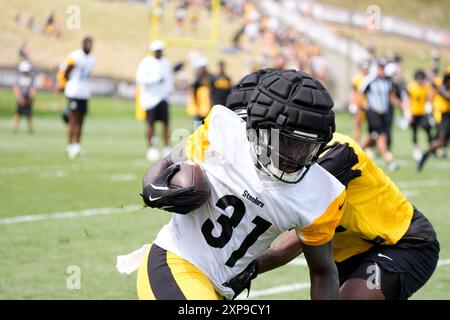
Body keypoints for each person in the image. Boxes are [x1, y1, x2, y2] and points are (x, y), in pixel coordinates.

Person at [118, 70, 347, 300]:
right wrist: (152, 189)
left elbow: (323, 271)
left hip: (221, 290)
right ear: (258, 129)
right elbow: (168, 161)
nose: (295, 156)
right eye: (286, 142)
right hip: (173, 261)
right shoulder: (222, 134)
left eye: (306, 147)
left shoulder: (323, 194)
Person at [223, 70, 440, 300]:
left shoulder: (336, 155)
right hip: (350, 251)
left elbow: (298, 236)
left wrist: (249, 267)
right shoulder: (278, 160)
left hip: (402, 243)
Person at [360, 58, 402, 171]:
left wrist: (401, 105)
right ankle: (389, 161)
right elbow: (360, 93)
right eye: (380, 67)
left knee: (373, 135)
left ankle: (356, 151)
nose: (382, 70)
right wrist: (360, 107)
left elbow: (391, 97)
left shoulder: (388, 81)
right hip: (372, 112)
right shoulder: (370, 79)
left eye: (383, 68)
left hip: (383, 113)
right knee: (380, 136)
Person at [136, 40, 174, 161]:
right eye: (157, 51)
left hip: (163, 97)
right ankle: (151, 148)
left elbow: (169, 79)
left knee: (166, 124)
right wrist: (156, 79)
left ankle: (166, 147)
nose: (159, 53)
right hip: (150, 99)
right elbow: (140, 79)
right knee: (150, 124)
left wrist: (168, 90)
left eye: (160, 51)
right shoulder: (146, 62)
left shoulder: (166, 63)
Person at [62, 36, 96, 158]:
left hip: (84, 93)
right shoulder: (75, 56)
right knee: (73, 120)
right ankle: (70, 145)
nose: (89, 46)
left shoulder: (92, 59)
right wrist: (66, 85)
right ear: (82, 44)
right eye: (87, 44)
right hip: (74, 92)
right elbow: (65, 71)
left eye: (91, 44)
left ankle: (77, 145)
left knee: (81, 120)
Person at [418, 66, 450, 171]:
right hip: (442, 115)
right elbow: (443, 94)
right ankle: (425, 155)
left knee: (443, 142)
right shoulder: (439, 83)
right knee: (440, 141)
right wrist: (428, 110)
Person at [406, 70, 433, 160]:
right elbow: (407, 99)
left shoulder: (426, 87)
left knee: (428, 128)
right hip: (413, 113)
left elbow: (429, 97)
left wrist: (429, 105)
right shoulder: (411, 87)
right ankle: (416, 150)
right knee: (414, 132)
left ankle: (431, 148)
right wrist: (408, 112)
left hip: (423, 113)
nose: (421, 81)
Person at [187, 57, 212, 125]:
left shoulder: (209, 77)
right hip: (198, 107)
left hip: (206, 107)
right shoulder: (197, 79)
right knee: (197, 128)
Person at [12, 60, 35, 134]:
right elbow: (16, 88)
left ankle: (30, 129)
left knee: (29, 115)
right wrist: (19, 97)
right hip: (20, 98)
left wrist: (30, 97)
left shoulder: (31, 78)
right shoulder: (18, 78)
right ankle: (15, 128)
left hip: (28, 99)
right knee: (18, 114)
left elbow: (33, 88)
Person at [350, 60, 369, 145]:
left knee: (369, 126)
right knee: (358, 124)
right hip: (358, 104)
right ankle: (356, 142)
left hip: (367, 104)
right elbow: (354, 92)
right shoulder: (357, 78)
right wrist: (353, 102)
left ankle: (364, 144)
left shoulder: (369, 78)